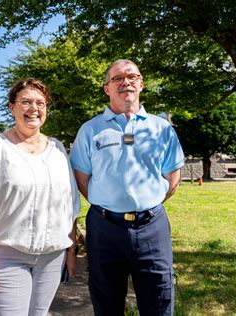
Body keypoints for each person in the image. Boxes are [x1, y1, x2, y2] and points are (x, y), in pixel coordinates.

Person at [70, 59, 184, 315]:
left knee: (159, 299)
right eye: (118, 78)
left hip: (152, 227)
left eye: (132, 77)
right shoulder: (90, 130)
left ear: (141, 84)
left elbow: (172, 177)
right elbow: (82, 178)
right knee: (106, 302)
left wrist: (144, 204)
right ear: (106, 88)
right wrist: (111, 203)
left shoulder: (162, 129)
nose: (126, 82)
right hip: (104, 227)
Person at [0, 78, 80, 316]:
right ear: (12, 108)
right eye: (25, 102)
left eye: (40, 103)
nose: (34, 108)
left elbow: (70, 208)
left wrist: (71, 252)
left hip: (52, 258)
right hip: (7, 257)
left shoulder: (58, 150)